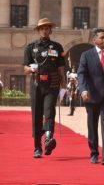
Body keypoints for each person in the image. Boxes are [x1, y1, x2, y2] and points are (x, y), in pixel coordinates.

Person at [23, 18, 66, 158]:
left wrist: (63, 87)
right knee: (36, 116)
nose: (44, 30)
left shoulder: (57, 47)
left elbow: (61, 69)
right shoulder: (31, 47)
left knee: (49, 113)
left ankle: (48, 139)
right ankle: (37, 147)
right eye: (42, 28)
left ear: (50, 30)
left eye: (47, 28)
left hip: (52, 85)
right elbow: (24, 68)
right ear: (38, 30)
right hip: (36, 85)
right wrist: (31, 69)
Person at [77, 28, 104, 165]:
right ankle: (94, 153)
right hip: (91, 95)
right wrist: (83, 90)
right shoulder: (86, 55)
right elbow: (81, 74)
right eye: (102, 37)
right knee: (92, 125)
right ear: (94, 40)